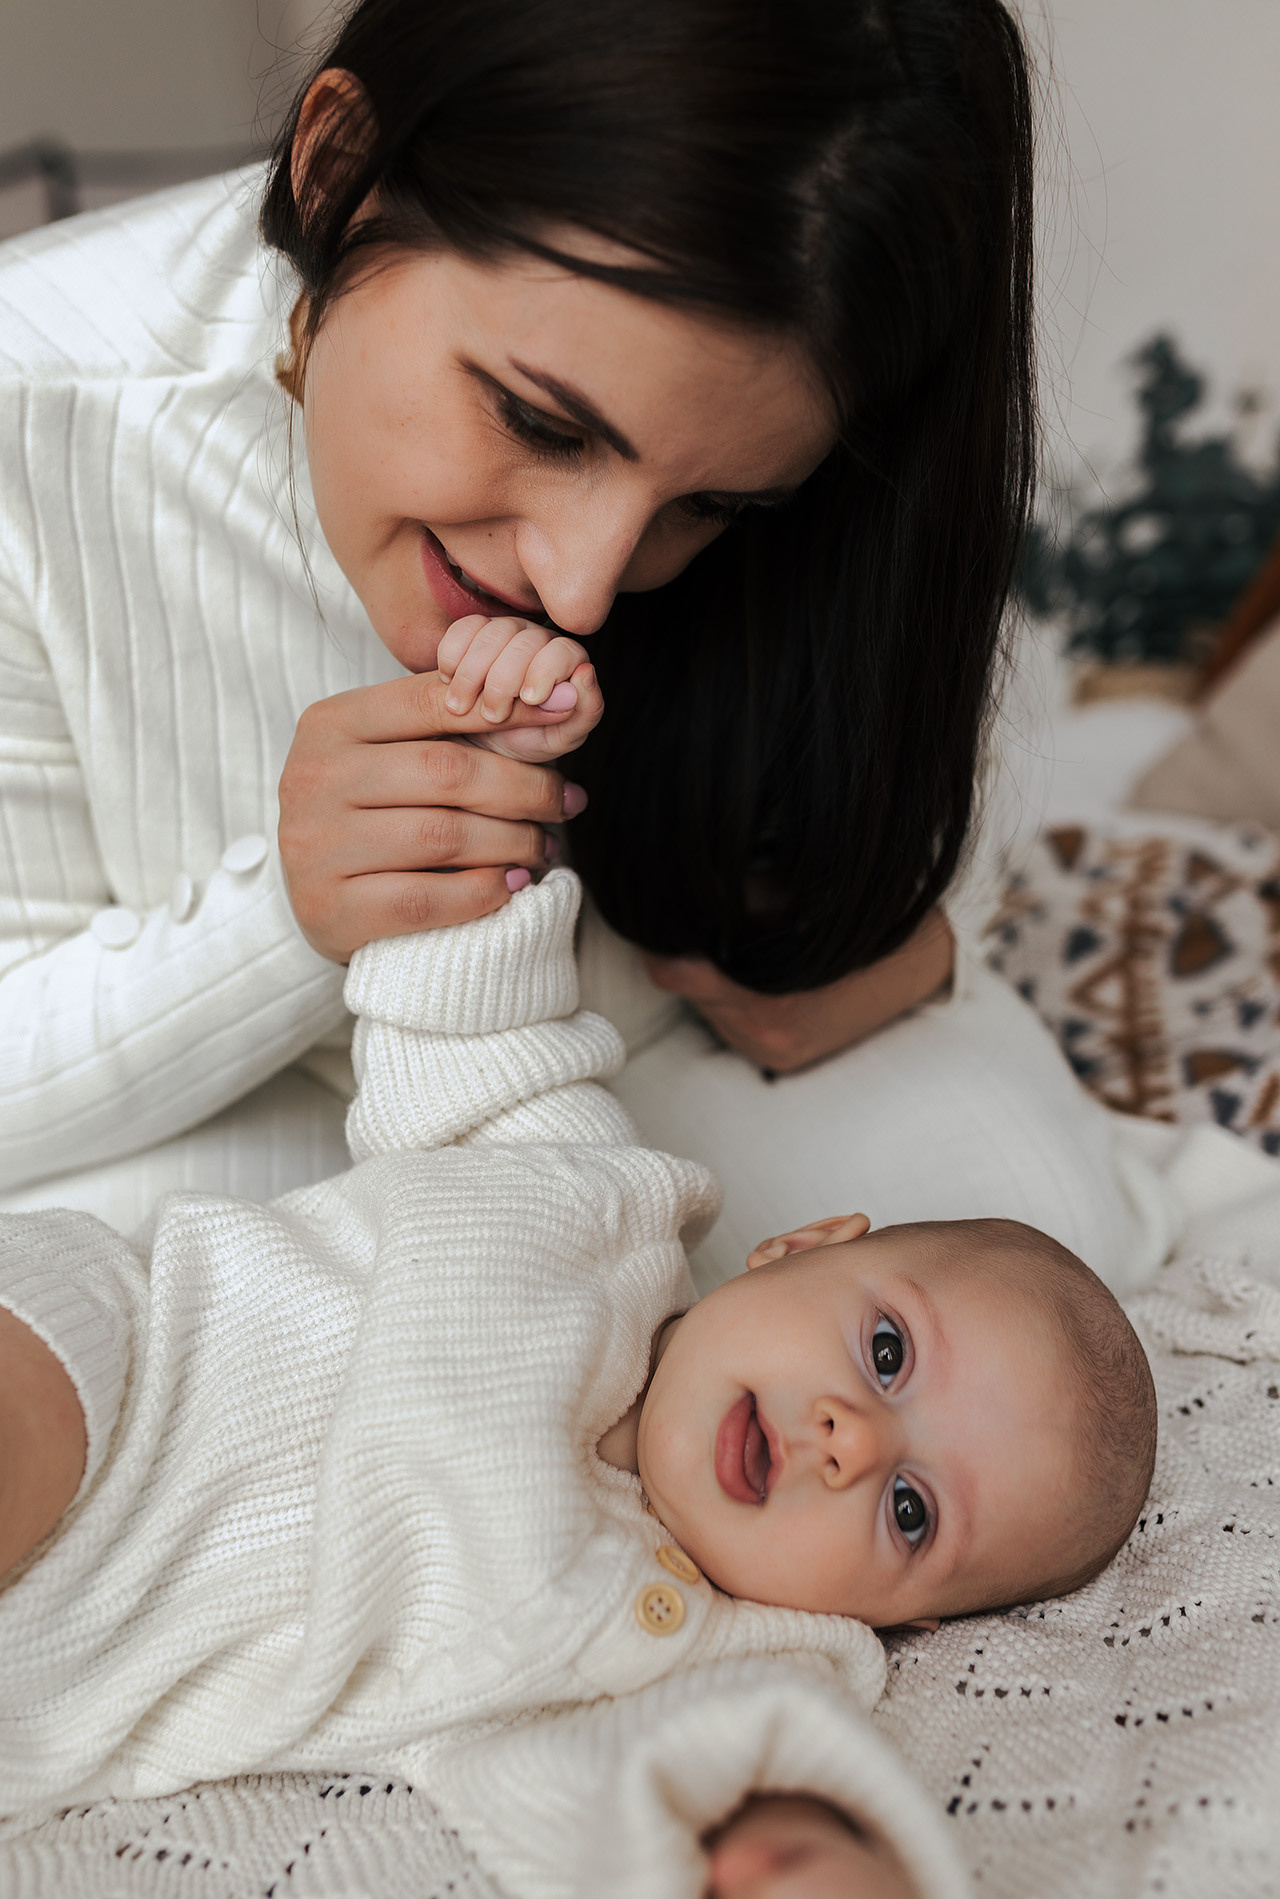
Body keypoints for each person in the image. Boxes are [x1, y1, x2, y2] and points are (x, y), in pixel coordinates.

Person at [1, 0, 1156, 1279]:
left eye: (712, 507)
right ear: (337, 171)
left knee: (1046, 1252)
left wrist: (900, 945)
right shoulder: (28, 412)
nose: (586, 588)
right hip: (207, 1119)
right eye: (544, 425)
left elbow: (908, 773)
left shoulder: (828, 473)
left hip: (644, 1063)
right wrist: (290, 914)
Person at [0, 859, 1156, 1899]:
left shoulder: (698, 1645)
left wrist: (802, 1862)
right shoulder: (598, 1197)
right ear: (796, 1247)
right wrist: (476, 794)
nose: (848, 1440)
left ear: (896, 1617)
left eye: (908, 1511)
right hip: (125, 1362)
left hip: (83, 1656)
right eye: (887, 1353)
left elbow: (730, 1760)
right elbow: (471, 1015)